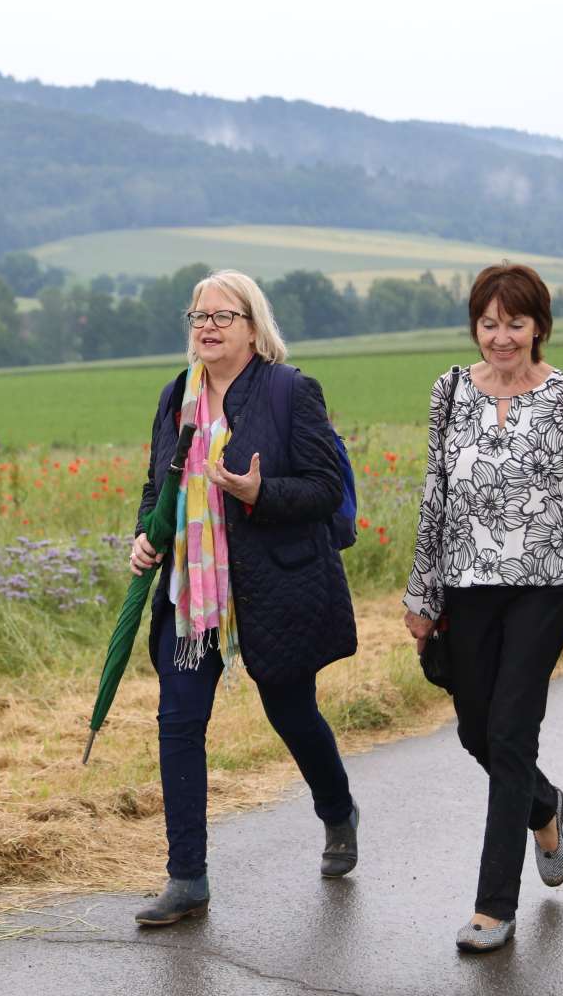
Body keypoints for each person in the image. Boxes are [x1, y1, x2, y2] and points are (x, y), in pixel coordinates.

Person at [402, 262, 563, 954]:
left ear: (539, 327)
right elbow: (436, 494)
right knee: (476, 731)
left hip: (546, 584)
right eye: (490, 323)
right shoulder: (450, 391)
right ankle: (544, 805)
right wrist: (422, 592)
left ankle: (493, 907)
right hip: (467, 584)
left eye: (516, 324)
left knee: (509, 732)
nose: (501, 338)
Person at [130, 269, 359, 925]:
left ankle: (338, 810)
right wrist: (144, 538)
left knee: (290, 711)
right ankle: (187, 878)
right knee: (178, 721)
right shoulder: (176, 396)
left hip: (273, 583)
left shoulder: (291, 392)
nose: (205, 326)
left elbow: (320, 488)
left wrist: (260, 494)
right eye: (198, 315)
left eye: (221, 316)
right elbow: (158, 489)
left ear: (254, 328)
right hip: (190, 589)